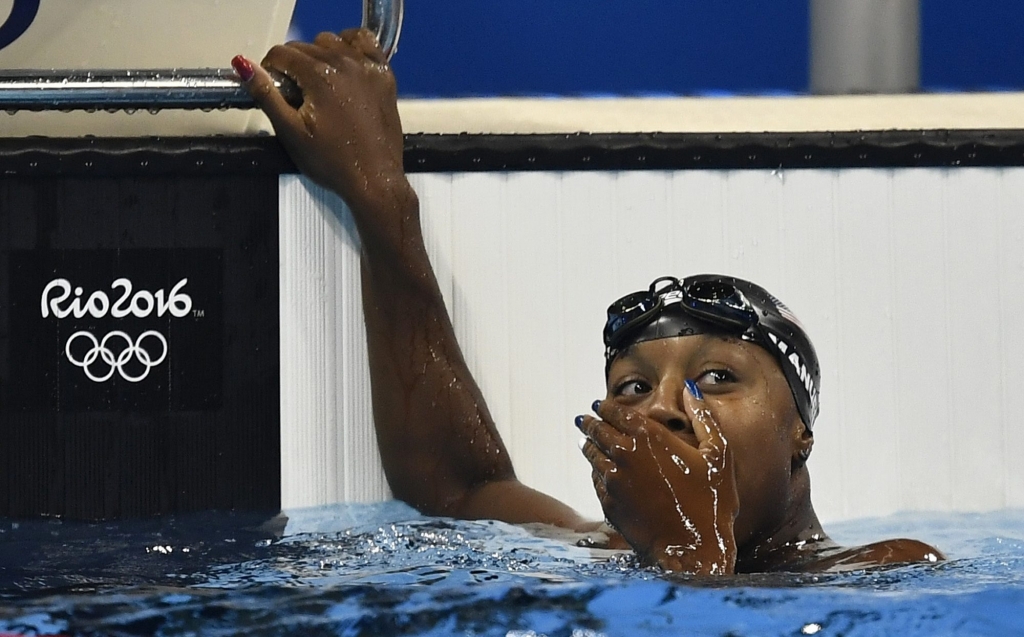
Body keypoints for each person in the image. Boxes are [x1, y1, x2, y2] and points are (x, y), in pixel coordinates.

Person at [229, 29, 943, 574]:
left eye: (718, 377)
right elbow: (460, 488)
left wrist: (689, 548)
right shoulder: (599, 548)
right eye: (632, 386)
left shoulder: (892, 570)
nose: (663, 407)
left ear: (801, 433)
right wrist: (380, 196)